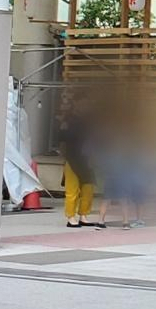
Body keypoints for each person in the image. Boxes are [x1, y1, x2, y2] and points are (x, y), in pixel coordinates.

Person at [56, 94, 102, 230]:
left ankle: (83, 215)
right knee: (72, 189)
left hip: (88, 158)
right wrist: (65, 156)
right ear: (76, 104)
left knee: (88, 188)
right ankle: (71, 217)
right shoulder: (68, 120)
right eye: (83, 103)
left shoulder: (91, 121)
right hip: (73, 158)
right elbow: (62, 140)